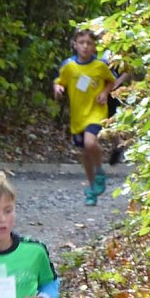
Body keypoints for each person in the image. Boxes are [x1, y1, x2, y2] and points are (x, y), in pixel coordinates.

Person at [53, 28, 122, 206]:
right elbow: (59, 81)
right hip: (78, 116)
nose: (85, 46)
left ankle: (100, 172)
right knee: (84, 152)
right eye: (81, 43)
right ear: (75, 45)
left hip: (96, 112)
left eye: (89, 43)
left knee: (90, 143)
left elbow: (111, 80)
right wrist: (58, 90)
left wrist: (105, 93)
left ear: (94, 48)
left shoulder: (100, 66)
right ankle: (91, 189)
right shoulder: (69, 66)